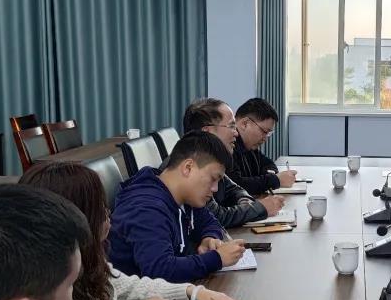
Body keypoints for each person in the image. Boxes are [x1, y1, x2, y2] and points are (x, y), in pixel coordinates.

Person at [20, 162, 238, 300]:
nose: (108, 213)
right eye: (100, 206)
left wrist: (191, 293)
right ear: (75, 219)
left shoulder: (85, 261)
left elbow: (127, 288)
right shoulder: (41, 288)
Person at [109, 131, 247, 283]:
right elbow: (159, 270)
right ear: (188, 167)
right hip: (139, 297)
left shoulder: (184, 196)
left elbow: (209, 221)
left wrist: (209, 237)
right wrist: (217, 258)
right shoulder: (146, 209)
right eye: (213, 179)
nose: (215, 188)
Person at [182, 98, 286, 227]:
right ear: (207, 131)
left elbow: (235, 189)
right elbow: (217, 217)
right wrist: (260, 208)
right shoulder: (192, 167)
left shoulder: (211, 160)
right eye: (231, 126)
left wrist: (246, 204)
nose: (236, 133)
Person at [231, 97, 298, 195]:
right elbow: (236, 186)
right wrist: (275, 180)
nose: (265, 138)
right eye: (264, 131)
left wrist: (270, 175)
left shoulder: (249, 147)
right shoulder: (228, 146)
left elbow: (268, 164)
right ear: (245, 124)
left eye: (268, 133)